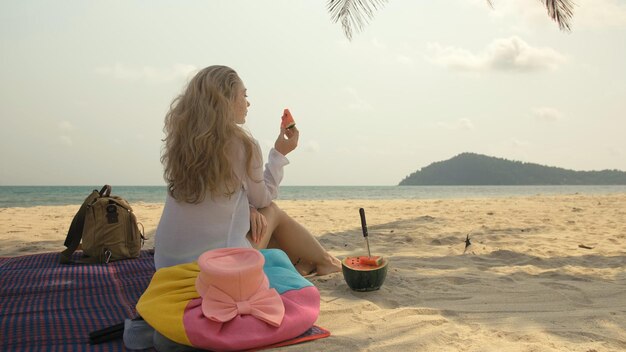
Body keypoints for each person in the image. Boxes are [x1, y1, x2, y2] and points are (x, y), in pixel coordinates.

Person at [154, 65, 341, 276]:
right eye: (244, 95)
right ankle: (327, 261)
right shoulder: (241, 144)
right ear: (226, 100)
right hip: (216, 270)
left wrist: (249, 209)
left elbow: (211, 200)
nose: (248, 102)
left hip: (166, 264)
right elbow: (263, 199)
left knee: (259, 221)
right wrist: (279, 155)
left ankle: (307, 262)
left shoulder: (181, 142)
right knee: (272, 212)